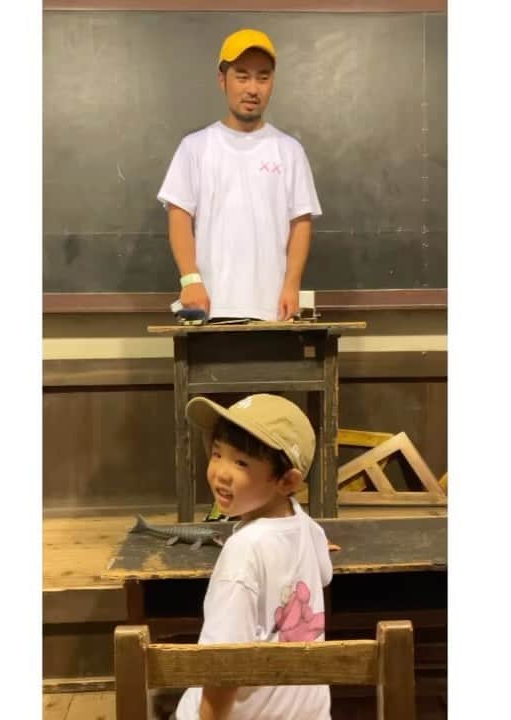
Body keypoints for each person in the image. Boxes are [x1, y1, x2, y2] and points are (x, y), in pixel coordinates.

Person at [174, 393, 333, 720]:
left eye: (241, 463)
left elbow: (222, 667)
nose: (221, 473)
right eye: (217, 453)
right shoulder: (305, 525)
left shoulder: (243, 551)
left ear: (287, 481)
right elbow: (324, 573)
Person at [157, 28, 322, 322]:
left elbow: (301, 222)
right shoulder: (195, 147)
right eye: (242, 76)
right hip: (209, 307)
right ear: (223, 80)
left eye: (263, 77)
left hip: (274, 311)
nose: (253, 89)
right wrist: (190, 279)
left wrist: (291, 285)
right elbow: (179, 215)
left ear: (272, 83)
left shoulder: (289, 151)